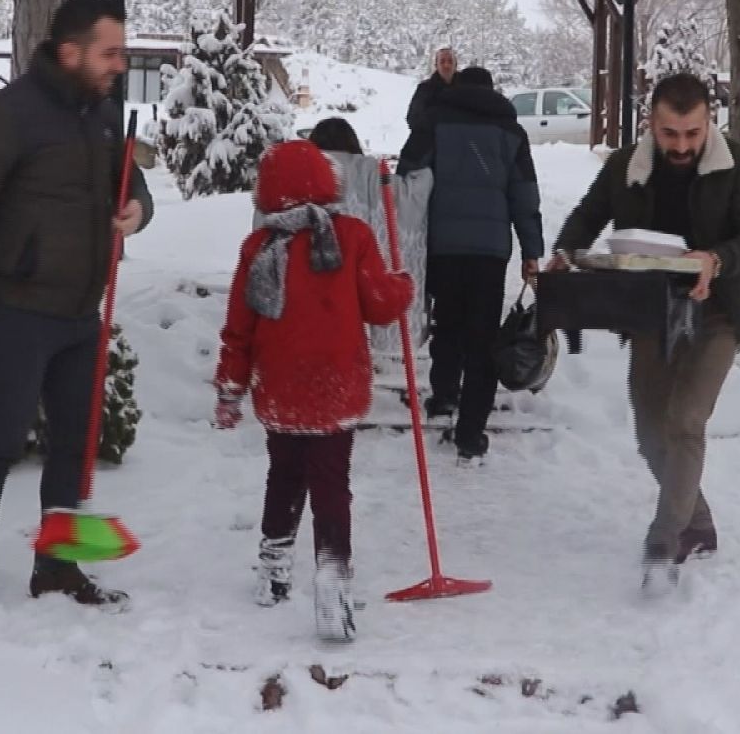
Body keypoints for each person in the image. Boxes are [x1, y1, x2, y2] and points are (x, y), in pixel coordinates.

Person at [0, 0, 154, 609]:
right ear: (71, 51)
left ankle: (58, 567)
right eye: (110, 53)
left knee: (74, 451)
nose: (119, 65)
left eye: (121, 53)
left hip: (80, 313)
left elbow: (131, 182)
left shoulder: (103, 116)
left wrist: (137, 209)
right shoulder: (10, 114)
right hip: (16, 311)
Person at [549, 72, 740, 592]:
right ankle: (697, 522)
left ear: (708, 124)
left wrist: (717, 259)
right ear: (651, 123)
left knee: (686, 420)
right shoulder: (626, 166)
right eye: (670, 134)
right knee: (651, 434)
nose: (681, 146)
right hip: (649, 309)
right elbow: (588, 217)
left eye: (692, 134)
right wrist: (565, 253)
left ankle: (665, 538)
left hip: (719, 308)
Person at [212, 140, 414, 642]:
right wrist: (402, 284)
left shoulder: (258, 249)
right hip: (336, 386)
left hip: (280, 389)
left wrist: (231, 390)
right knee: (329, 483)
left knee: (283, 475)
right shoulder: (351, 236)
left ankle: (274, 570)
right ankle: (332, 575)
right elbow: (381, 305)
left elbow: (238, 328)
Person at [397, 66, 543, 466]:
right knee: (482, 338)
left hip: (442, 246)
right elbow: (524, 196)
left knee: (447, 323)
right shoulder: (512, 133)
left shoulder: (435, 121)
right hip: (490, 251)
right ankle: (471, 433)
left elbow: (407, 177)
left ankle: (443, 397)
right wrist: (532, 251)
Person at [405, 46, 457, 132]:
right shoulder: (424, 89)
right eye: (442, 61)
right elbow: (412, 118)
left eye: (450, 61)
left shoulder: (466, 87)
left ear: (455, 65)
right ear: (436, 65)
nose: (446, 65)